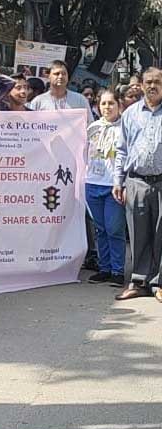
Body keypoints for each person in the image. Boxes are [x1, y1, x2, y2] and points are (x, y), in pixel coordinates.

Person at [113, 67, 162, 301]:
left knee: (161, 233)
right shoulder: (131, 114)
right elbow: (121, 150)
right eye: (148, 82)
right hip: (136, 181)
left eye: (157, 82)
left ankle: (159, 283)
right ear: (141, 85)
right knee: (138, 233)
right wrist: (118, 181)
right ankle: (139, 281)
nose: (152, 86)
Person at [85, 88, 126, 285]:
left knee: (114, 229)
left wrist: (122, 182)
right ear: (98, 106)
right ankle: (104, 268)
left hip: (113, 185)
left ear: (119, 105)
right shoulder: (92, 127)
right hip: (92, 183)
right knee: (100, 229)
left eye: (111, 103)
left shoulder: (125, 127)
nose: (107, 107)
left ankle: (118, 271)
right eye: (103, 103)